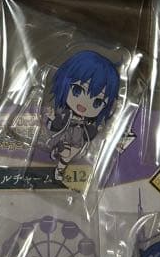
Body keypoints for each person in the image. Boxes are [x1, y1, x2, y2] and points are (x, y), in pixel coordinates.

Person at [45, 49, 120, 182]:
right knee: (66, 153)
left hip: (78, 141)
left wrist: (98, 129)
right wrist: (52, 118)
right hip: (65, 135)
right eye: (77, 90)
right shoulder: (66, 114)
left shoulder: (87, 122)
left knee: (69, 155)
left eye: (97, 102)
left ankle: (59, 168)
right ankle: (58, 153)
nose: (84, 105)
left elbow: (89, 134)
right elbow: (57, 125)